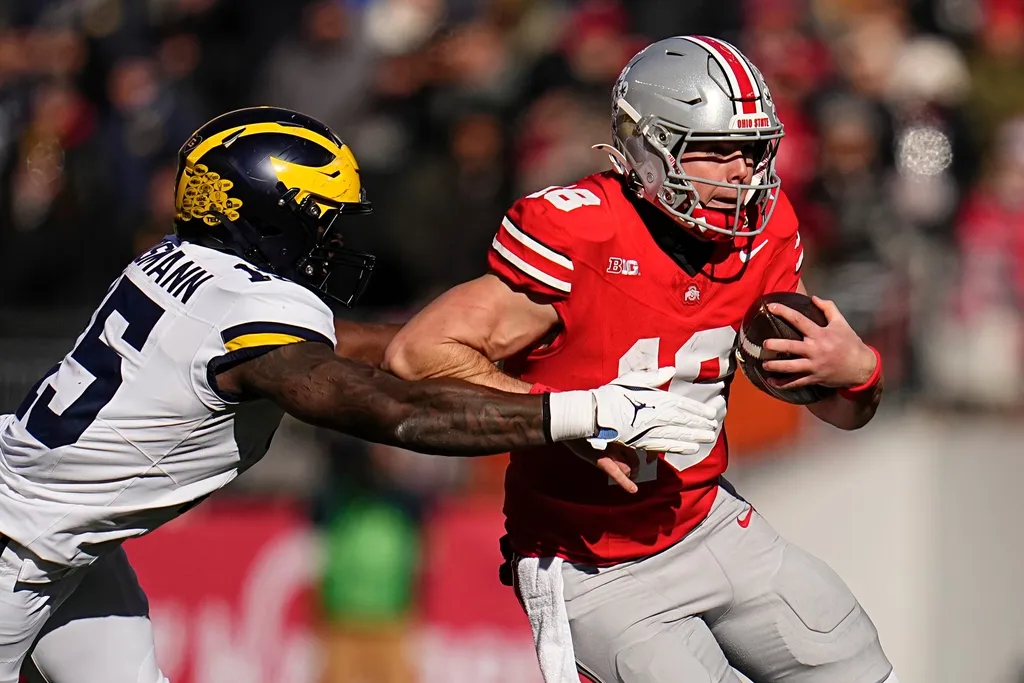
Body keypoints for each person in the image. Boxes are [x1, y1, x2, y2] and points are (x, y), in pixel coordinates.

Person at [0, 106, 722, 683]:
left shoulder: (185, 267)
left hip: (64, 542)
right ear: (269, 214)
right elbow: (393, 410)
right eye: (321, 219)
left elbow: (369, 351)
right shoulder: (249, 321)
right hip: (18, 548)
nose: (331, 239)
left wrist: (501, 364)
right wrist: (581, 412)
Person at [384, 37, 897, 683]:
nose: (744, 172)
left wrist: (859, 373)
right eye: (715, 150)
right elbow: (419, 352)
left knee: (856, 663)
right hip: (589, 562)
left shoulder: (766, 231)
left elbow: (847, 414)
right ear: (648, 147)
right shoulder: (580, 232)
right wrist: (570, 417)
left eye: (753, 149)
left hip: (707, 519)